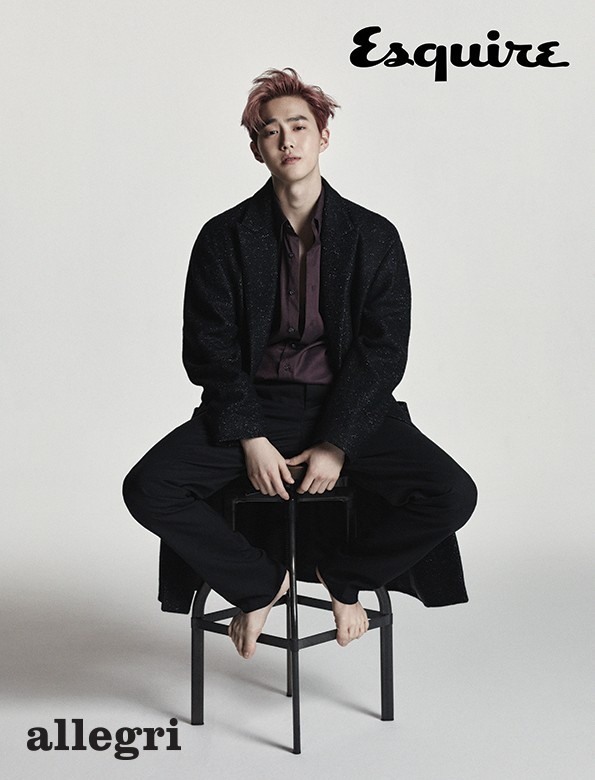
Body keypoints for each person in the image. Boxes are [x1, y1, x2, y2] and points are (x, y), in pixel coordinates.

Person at [122, 68, 477, 660]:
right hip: (254, 406)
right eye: (270, 131)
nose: (286, 140)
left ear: (323, 137)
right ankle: (259, 584)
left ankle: (344, 577)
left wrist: (339, 442)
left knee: (452, 493)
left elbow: (384, 351)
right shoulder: (223, 237)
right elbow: (209, 348)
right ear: (256, 148)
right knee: (148, 487)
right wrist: (250, 436)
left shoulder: (373, 236)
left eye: (299, 126)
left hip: (347, 406)